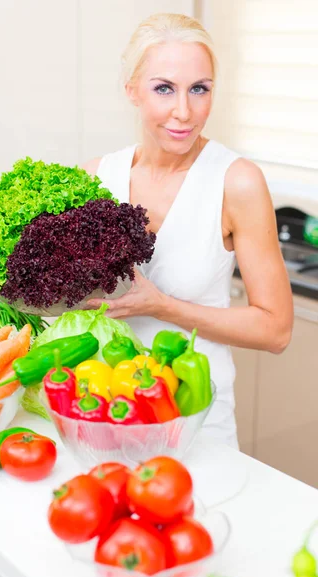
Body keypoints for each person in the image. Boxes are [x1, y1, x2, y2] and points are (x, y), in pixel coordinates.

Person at [82, 13, 293, 449]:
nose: (185, 111)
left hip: (197, 423)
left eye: (199, 89)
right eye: (164, 88)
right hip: (105, 410)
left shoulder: (236, 182)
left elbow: (276, 331)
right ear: (132, 91)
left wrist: (163, 306)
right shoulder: (96, 178)